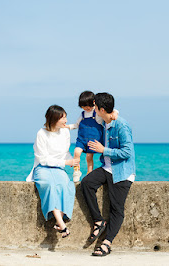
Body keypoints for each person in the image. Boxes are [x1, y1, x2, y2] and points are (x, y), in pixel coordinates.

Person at [81, 93, 136, 256]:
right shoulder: (104, 120)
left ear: (102, 109)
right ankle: (98, 221)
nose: (94, 110)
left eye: (95, 107)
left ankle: (107, 243)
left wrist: (103, 150)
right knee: (86, 183)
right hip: (107, 168)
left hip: (122, 172)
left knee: (116, 209)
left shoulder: (122, 125)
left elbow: (127, 152)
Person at [26, 105, 80, 238]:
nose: (66, 121)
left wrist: (72, 161)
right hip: (42, 168)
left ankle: (59, 222)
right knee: (50, 185)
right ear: (54, 119)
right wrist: (65, 163)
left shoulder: (65, 132)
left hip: (58, 168)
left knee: (66, 186)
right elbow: (43, 159)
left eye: (66, 117)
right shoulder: (41, 133)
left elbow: (65, 153)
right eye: (63, 118)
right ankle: (62, 224)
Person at [67, 91, 118, 181]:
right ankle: (76, 171)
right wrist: (68, 127)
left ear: (94, 103)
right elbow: (76, 124)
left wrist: (115, 113)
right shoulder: (82, 114)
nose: (87, 108)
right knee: (76, 152)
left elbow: (110, 111)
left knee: (89, 157)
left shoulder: (97, 112)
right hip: (82, 139)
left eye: (89, 105)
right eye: (84, 106)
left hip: (93, 139)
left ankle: (89, 173)